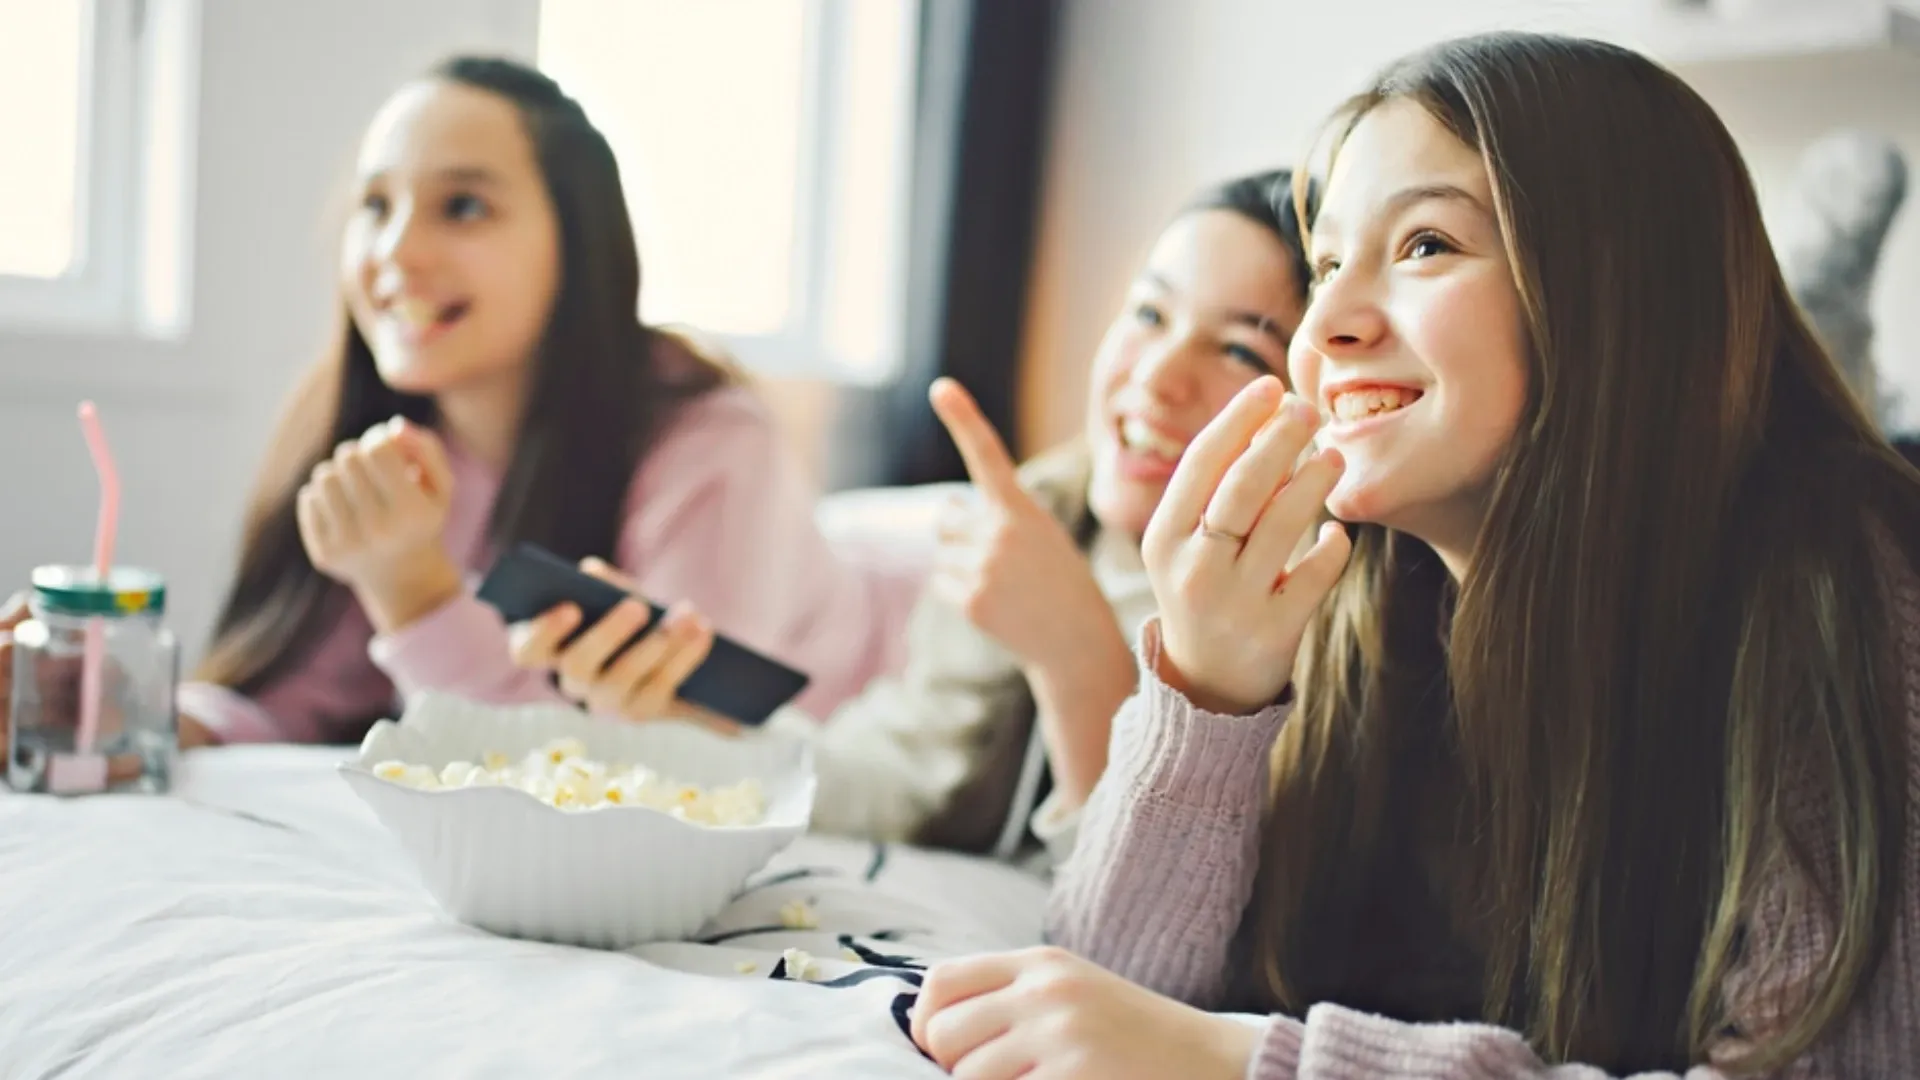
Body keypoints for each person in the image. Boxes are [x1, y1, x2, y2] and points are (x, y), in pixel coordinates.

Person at [906, 32, 1920, 1078]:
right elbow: (1114, 1003)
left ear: (1617, 288)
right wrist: (1205, 690)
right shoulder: (1368, 592)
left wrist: (1257, 1063)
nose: (1329, 322)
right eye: (1329, 262)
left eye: (1426, 244)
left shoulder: (1843, 587)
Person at [511, 171, 1313, 865]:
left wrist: (1074, 651)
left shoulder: (1307, 634)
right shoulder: (1031, 528)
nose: (1161, 376)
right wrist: (686, 714)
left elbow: (1160, 927)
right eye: (1149, 314)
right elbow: (896, 782)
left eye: (1242, 352)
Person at [148, 57, 898, 748]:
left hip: (896, 676)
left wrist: (416, 596)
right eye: (375, 205)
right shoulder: (375, 433)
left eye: (464, 205)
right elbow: (293, 702)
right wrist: (128, 716)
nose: (397, 253)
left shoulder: (712, 446)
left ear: (578, 244)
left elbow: (651, 773)